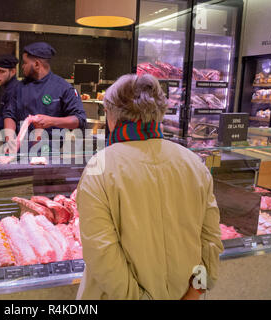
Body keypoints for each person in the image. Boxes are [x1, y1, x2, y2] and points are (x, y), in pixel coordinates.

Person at [75, 73, 224, 300]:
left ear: (112, 115)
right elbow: (211, 243)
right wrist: (193, 294)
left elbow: (101, 255)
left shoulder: (99, 167)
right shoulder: (194, 163)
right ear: (159, 112)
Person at [3, 42, 87, 150]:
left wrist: (51, 121)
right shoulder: (18, 88)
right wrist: (9, 139)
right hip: (20, 152)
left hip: (50, 154)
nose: (22, 67)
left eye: (25, 63)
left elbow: (79, 120)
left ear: (37, 64)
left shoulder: (64, 88)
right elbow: (9, 115)